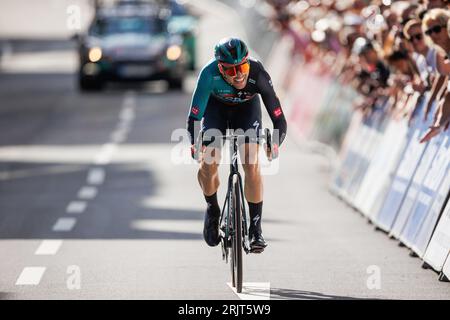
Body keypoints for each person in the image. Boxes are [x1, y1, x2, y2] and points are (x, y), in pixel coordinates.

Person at [186, 37, 287, 253]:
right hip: (216, 111)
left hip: (247, 110)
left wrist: (275, 143)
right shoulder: (208, 74)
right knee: (209, 162)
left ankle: (255, 229)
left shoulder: (258, 73)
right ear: (220, 68)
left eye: (242, 66)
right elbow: (194, 118)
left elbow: (279, 118)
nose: (239, 74)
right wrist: (196, 145)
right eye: (231, 70)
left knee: (251, 162)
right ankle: (213, 209)